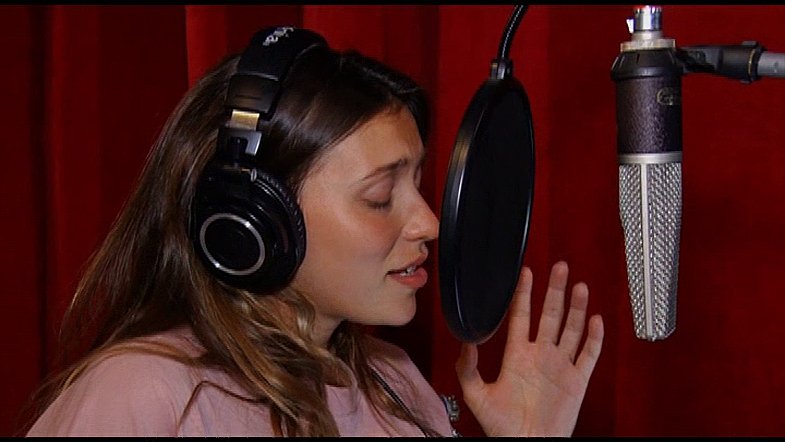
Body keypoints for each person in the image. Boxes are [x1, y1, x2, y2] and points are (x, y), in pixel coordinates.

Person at [22, 26, 604, 437]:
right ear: (255, 222)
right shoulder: (143, 395)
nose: (429, 223)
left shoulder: (396, 388)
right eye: (379, 197)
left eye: (418, 185)